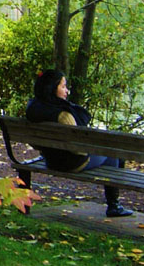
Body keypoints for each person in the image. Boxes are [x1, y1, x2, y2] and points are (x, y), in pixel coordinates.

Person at [24, 69, 134, 218]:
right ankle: (114, 205)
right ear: (52, 88)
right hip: (71, 163)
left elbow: (34, 144)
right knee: (114, 154)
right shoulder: (63, 115)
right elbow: (78, 150)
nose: (67, 91)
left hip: (50, 161)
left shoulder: (33, 108)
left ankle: (115, 204)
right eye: (63, 86)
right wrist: (93, 147)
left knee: (108, 152)